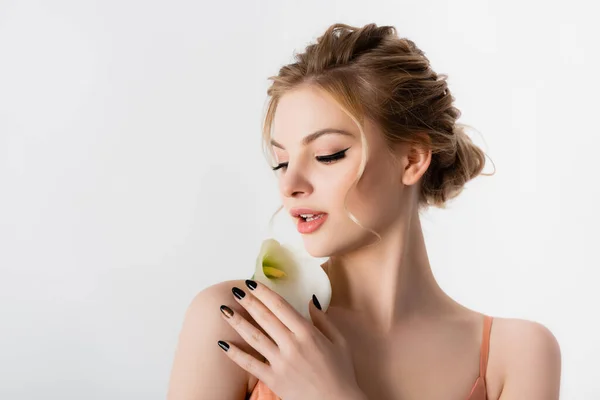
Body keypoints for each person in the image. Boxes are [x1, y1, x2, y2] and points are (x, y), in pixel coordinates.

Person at [166, 22, 561, 400]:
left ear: (412, 159)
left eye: (327, 155)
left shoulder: (516, 356)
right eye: (281, 162)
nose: (290, 185)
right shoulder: (240, 320)